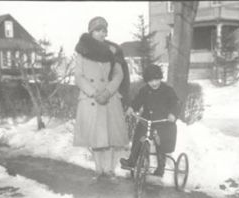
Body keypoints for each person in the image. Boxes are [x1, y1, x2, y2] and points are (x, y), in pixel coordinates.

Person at [73, 16, 130, 182]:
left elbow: (119, 74)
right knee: (96, 138)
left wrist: (108, 91)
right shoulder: (82, 52)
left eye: (104, 30)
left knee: (111, 137)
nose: (101, 34)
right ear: (91, 32)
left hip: (109, 98)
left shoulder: (113, 51)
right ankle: (99, 170)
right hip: (91, 99)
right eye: (97, 30)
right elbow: (78, 76)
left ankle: (110, 170)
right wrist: (93, 93)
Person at [120, 64, 180, 177]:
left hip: (163, 122)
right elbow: (137, 101)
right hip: (147, 121)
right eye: (151, 81)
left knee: (160, 142)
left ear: (160, 78)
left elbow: (176, 104)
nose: (154, 83)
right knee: (138, 136)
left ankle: (160, 167)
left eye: (156, 80)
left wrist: (173, 114)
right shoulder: (144, 90)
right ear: (147, 81)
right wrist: (132, 108)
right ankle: (132, 160)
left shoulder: (168, 90)